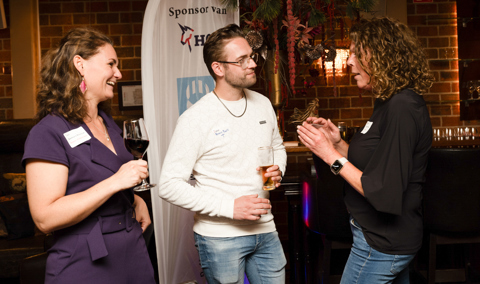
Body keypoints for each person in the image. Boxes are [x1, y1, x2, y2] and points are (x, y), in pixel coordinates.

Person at [297, 17, 434, 284]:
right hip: (379, 237)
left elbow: (383, 190)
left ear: (381, 56)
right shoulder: (388, 102)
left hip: (382, 243)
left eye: (356, 53)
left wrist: (330, 156)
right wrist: (337, 143)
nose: (348, 62)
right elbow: (378, 164)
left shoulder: (402, 107)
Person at [22, 27, 156, 284]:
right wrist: (116, 183)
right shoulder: (49, 132)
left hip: (133, 251)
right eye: (110, 64)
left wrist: (136, 201)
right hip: (85, 260)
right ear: (79, 64)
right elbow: (45, 218)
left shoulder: (108, 123)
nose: (118, 74)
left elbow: (113, 175)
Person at [158, 24, 287, 283]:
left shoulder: (262, 104)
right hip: (219, 238)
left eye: (251, 56)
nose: (252, 64)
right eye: (241, 60)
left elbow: (277, 147)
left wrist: (277, 169)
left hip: (266, 229)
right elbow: (168, 185)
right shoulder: (195, 118)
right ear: (218, 68)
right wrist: (229, 207)